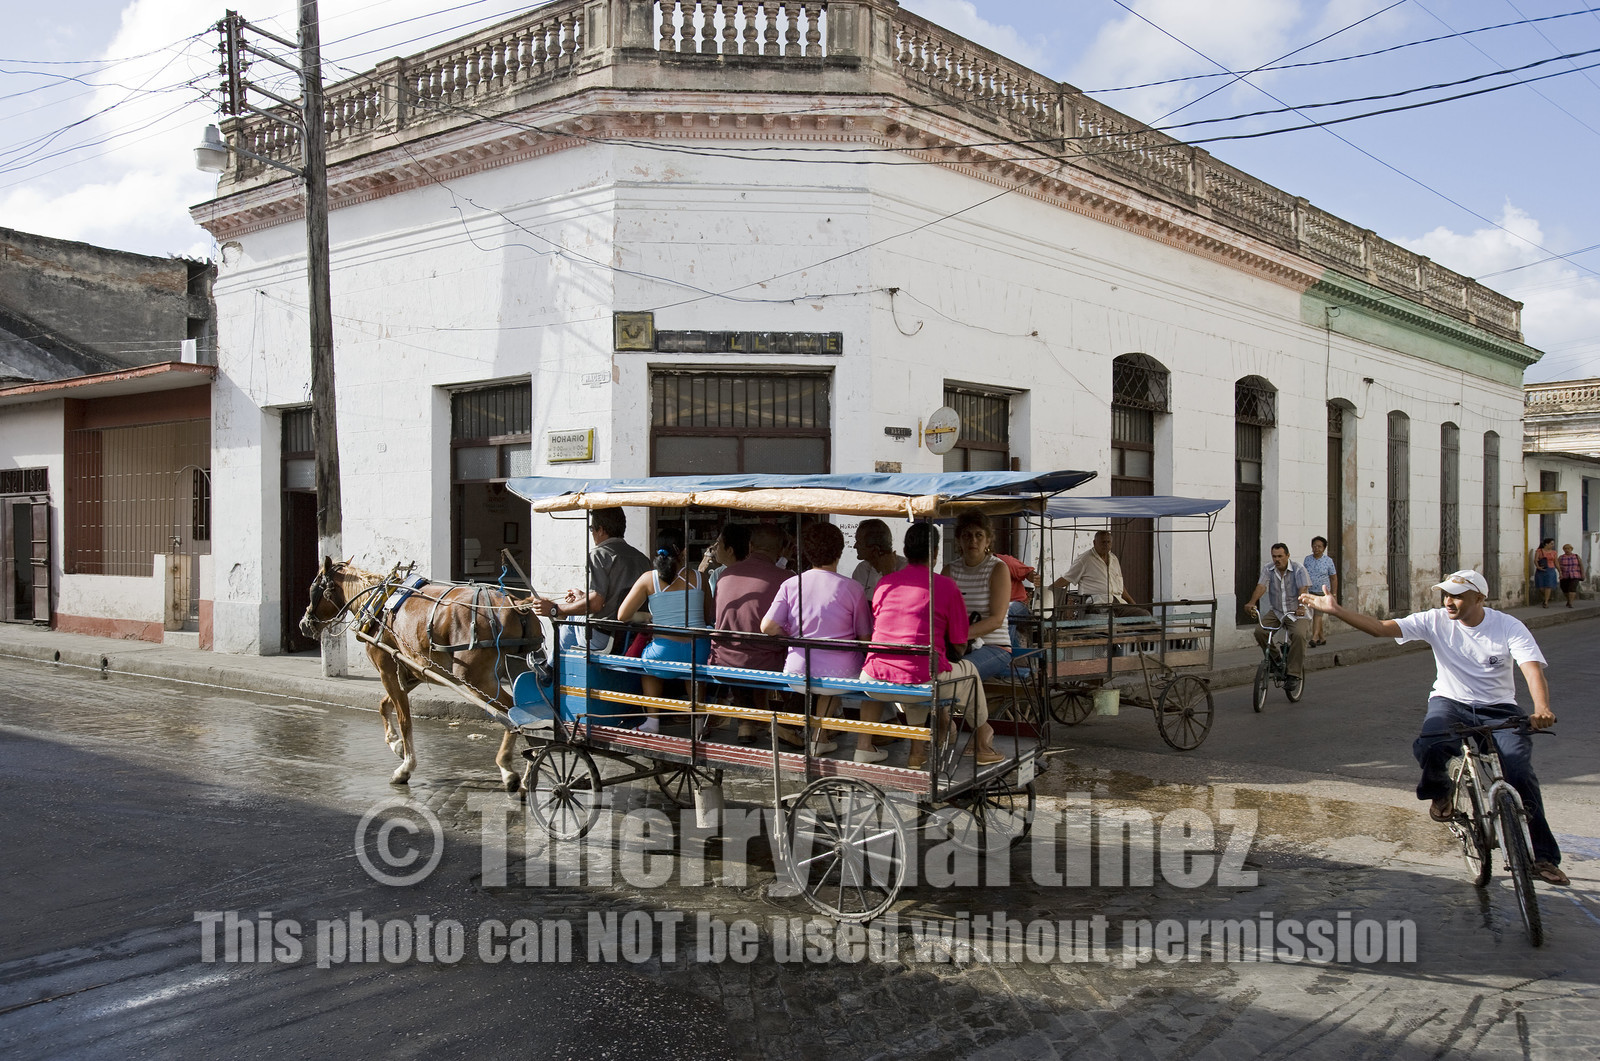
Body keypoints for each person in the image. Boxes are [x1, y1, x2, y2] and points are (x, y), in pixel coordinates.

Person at [1300, 569, 1567, 886]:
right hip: (1450, 701)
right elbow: (1380, 628)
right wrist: (1336, 611)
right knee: (1431, 743)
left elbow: (1531, 670)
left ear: (1479, 598)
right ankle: (1441, 794)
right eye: (1446, 594)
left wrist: (1542, 708)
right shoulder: (1435, 620)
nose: (1448, 601)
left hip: (1499, 709)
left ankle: (1544, 858)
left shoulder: (1508, 626)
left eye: (1457, 595)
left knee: (1519, 772)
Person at [861, 523, 1001, 768]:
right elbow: (958, 644)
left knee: (920, 674)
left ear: (905, 549)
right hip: (916, 677)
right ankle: (982, 740)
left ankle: (917, 752)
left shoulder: (885, 584)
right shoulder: (946, 586)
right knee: (967, 672)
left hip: (872, 681)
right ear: (935, 553)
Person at [761, 522, 873, 756]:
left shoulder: (791, 584)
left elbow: (767, 626)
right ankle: (821, 736)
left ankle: (819, 737)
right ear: (840, 551)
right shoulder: (852, 588)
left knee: (825, 676)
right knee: (837, 675)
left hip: (796, 672)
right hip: (839, 675)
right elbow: (865, 638)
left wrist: (789, 635)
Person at [615, 527, 712, 732]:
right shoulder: (700, 578)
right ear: (683, 552)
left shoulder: (648, 579)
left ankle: (652, 721)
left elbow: (622, 615)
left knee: (648, 665)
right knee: (693, 670)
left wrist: (647, 616)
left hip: (664, 653)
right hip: (699, 650)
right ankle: (698, 722)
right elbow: (708, 617)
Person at [709, 523, 793, 742]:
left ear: (751, 545)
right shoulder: (785, 578)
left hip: (723, 661)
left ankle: (746, 723)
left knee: (746, 650)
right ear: (781, 549)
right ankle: (787, 723)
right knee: (789, 653)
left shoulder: (725, 575)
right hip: (765, 662)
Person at [535, 506, 651, 652]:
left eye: (592, 529)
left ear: (601, 530)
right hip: (630, 635)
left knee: (573, 616)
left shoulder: (599, 554)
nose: (593, 533)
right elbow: (615, 598)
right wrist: (583, 597)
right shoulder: (642, 558)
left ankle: (552, 666)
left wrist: (555, 609)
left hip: (604, 637)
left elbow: (596, 604)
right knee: (577, 611)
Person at [941, 511, 1013, 680]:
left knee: (957, 675)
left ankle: (972, 707)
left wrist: (959, 635)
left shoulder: (997, 569)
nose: (972, 540)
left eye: (978, 535)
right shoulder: (950, 570)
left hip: (994, 647)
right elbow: (941, 612)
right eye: (966, 535)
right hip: (957, 646)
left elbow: (996, 619)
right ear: (959, 540)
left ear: (988, 540)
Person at [1244, 543, 1310, 696]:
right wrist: (1252, 602)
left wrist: (1301, 605)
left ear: (1287, 556)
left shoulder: (1299, 569)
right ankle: (1276, 660)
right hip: (1277, 612)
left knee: (1299, 636)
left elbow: (1303, 588)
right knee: (1260, 631)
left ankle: (1294, 674)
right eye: (1274, 556)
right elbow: (1261, 586)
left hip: (1297, 612)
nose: (1277, 559)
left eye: (1280, 556)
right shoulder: (1268, 569)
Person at [1051, 530, 1150, 617]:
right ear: (1094, 542)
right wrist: (1048, 590)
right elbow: (1067, 579)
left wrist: (1132, 603)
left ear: (1111, 543)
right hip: (1096, 604)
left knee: (1143, 615)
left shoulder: (1114, 559)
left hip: (1117, 603)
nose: (1106, 545)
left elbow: (1120, 585)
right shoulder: (1085, 559)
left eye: (1108, 542)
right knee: (1110, 619)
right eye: (1103, 542)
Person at [850, 518, 907, 598]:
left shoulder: (905, 568)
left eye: (859, 542)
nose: (855, 546)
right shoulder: (861, 569)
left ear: (875, 549)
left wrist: (889, 574)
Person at [1302, 536, 1338, 647]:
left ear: (1324, 548)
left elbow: (1333, 578)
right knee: (1314, 615)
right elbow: (1303, 575)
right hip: (1310, 591)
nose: (1316, 548)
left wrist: (1334, 594)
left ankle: (1314, 638)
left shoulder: (1328, 561)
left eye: (1319, 546)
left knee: (1317, 615)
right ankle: (1322, 638)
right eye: (1314, 546)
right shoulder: (1307, 559)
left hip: (1322, 592)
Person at [996, 552, 1036, 651]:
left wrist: (1035, 577)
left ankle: (1004, 651)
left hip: (1018, 604)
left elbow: (1028, 572)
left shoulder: (1005, 561)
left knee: (1006, 612)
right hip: (996, 607)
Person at [1533, 537, 1559, 607]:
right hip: (1541, 569)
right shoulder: (1539, 551)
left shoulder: (1554, 552)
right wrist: (1538, 566)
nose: (1552, 545)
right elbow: (1535, 560)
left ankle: (1546, 601)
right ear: (1546, 544)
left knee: (1548, 585)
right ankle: (1546, 597)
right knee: (1540, 586)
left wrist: (1559, 571)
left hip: (1550, 569)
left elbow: (1556, 562)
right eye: (1551, 544)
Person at [1557, 543, 1584, 609]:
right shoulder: (1561, 557)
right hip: (1564, 575)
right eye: (1565, 549)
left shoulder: (1576, 556)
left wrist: (1583, 574)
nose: (1567, 550)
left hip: (1575, 575)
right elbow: (1557, 565)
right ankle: (1568, 600)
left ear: (1571, 549)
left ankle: (1571, 603)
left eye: (1568, 548)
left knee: (1572, 588)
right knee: (1564, 589)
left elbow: (1581, 565)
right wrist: (1560, 572)